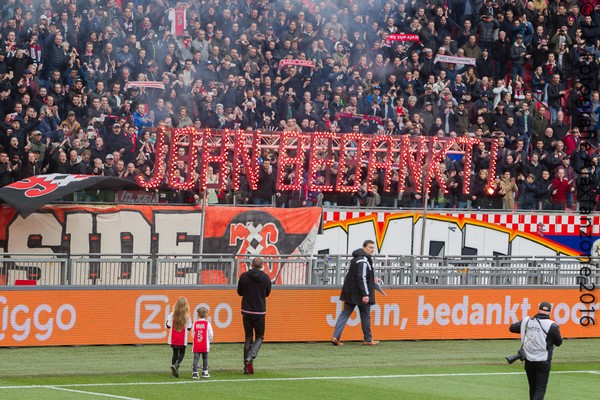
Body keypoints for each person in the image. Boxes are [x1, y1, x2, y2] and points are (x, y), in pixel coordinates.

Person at [509, 301, 563, 400]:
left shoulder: (528, 321)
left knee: (533, 388)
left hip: (529, 360)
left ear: (539, 309)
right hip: (543, 360)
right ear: (550, 312)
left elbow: (512, 328)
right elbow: (559, 342)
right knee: (540, 389)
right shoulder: (553, 326)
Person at [331, 240, 379, 346]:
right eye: (370, 248)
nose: (372, 250)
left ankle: (336, 336)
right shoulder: (363, 260)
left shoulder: (356, 258)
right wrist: (365, 294)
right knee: (365, 315)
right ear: (363, 247)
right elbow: (361, 277)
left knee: (345, 314)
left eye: (372, 248)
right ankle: (368, 339)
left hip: (350, 292)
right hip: (359, 294)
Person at [237, 257, 272, 374]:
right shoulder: (266, 278)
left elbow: (239, 292)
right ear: (262, 266)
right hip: (259, 311)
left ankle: (247, 367)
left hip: (246, 310)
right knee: (260, 337)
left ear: (251, 265)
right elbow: (267, 293)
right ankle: (250, 357)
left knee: (248, 338)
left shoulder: (244, 276)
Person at [166, 296, 192, 378]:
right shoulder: (187, 315)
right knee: (182, 353)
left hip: (173, 337)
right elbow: (189, 327)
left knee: (175, 353)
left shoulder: (173, 314)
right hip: (182, 338)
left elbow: (168, 325)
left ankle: (174, 371)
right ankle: (176, 365)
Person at [192, 306, 214, 379]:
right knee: (205, 358)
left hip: (196, 345)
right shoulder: (208, 324)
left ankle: (195, 373)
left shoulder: (195, 324)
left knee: (196, 359)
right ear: (206, 314)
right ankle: (205, 372)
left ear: (198, 315)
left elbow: (193, 334)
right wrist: (209, 341)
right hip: (204, 345)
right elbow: (211, 335)